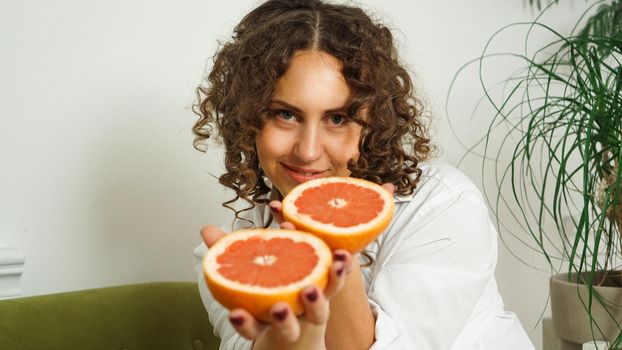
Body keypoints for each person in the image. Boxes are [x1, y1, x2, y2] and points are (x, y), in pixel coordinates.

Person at [192, 0, 535, 349]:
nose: (308, 150)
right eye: (286, 115)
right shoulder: (227, 253)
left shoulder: (442, 205)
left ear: (372, 125)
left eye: (337, 119)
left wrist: (339, 250)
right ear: (246, 119)